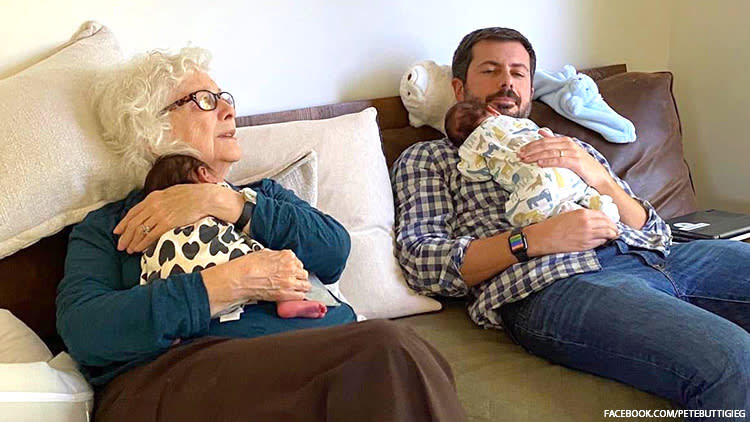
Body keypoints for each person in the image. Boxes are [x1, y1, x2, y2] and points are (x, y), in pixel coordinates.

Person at [56, 47, 466, 421]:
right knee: (390, 352)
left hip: (324, 358)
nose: (228, 112)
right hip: (188, 374)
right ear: (152, 132)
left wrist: (224, 203)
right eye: (203, 101)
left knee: (411, 356)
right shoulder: (111, 226)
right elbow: (87, 331)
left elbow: (334, 252)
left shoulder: (262, 196)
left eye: (225, 100)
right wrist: (232, 281)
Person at [392, 27, 749, 416]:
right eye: (491, 71)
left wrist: (595, 175)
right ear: (460, 89)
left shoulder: (570, 145)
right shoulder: (429, 158)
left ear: (529, 90)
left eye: (518, 72)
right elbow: (421, 260)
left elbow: (655, 231)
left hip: (664, 258)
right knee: (733, 362)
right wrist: (531, 239)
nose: (507, 82)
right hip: (561, 284)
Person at [140, 154, 328, 319]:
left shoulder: (155, 231)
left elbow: (334, 247)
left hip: (182, 293)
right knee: (274, 258)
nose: (229, 113)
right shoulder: (228, 193)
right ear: (204, 174)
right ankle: (287, 301)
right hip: (228, 264)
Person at [444, 100, 619, 226]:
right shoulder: (517, 122)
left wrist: (464, 161)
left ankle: (567, 211)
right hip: (567, 172)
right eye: (489, 71)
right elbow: (539, 131)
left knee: (516, 214)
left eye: (518, 73)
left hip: (538, 183)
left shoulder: (471, 145)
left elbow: (476, 172)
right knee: (579, 190)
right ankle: (598, 204)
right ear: (493, 111)